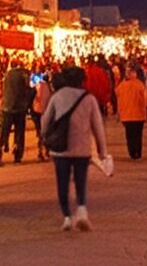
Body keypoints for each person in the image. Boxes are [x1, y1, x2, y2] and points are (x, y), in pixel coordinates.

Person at [43, 67, 109, 231]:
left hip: (60, 148)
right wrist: (102, 150)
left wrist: (45, 138)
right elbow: (98, 126)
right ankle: (82, 210)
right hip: (82, 148)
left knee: (62, 182)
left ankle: (66, 217)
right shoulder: (89, 99)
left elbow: (45, 121)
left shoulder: (57, 96)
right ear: (82, 81)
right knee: (81, 181)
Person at [0, 58, 31, 166]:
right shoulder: (24, 74)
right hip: (20, 108)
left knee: (5, 130)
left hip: (7, 106)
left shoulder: (6, 75)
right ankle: (17, 153)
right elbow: (27, 89)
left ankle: (0, 150)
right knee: (19, 131)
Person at [116, 64, 147, 159]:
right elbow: (145, 99)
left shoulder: (122, 86)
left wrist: (119, 113)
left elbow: (118, 97)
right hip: (139, 115)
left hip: (127, 115)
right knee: (138, 134)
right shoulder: (140, 85)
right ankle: (138, 151)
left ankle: (132, 152)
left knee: (129, 135)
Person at [31, 64, 54, 162]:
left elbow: (37, 97)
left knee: (39, 132)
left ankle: (40, 151)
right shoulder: (49, 87)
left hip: (38, 111)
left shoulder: (38, 85)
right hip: (46, 111)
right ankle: (46, 151)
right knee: (46, 131)